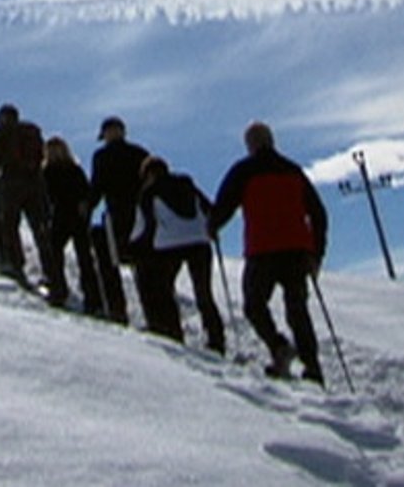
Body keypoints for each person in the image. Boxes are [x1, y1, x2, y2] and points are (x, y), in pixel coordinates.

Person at [209, 122, 329, 384]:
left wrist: (212, 226)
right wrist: (317, 252)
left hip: (263, 250)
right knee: (298, 309)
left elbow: (225, 204)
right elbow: (318, 213)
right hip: (296, 250)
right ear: (272, 141)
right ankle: (313, 367)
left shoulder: (244, 170)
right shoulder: (293, 170)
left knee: (254, 305)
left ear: (250, 145)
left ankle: (278, 347)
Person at [129, 155, 226, 354]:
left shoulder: (148, 192)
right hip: (200, 242)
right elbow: (210, 209)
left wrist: (132, 247)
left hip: (169, 245)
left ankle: (172, 331)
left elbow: (143, 227)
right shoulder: (188, 185)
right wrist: (212, 229)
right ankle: (217, 339)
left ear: (148, 174)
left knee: (164, 288)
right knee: (204, 292)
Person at [89, 116, 150, 324]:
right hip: (141, 214)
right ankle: (154, 317)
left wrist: (86, 210)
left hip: (117, 213)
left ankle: (117, 310)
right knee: (143, 266)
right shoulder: (140, 153)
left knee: (110, 262)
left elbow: (96, 187)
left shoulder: (102, 156)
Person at [41, 137, 104, 314]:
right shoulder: (63, 170)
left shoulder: (60, 170)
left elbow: (85, 191)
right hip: (68, 214)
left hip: (71, 214)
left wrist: (85, 207)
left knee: (79, 256)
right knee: (62, 253)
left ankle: (88, 297)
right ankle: (63, 291)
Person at [0, 104, 48, 282]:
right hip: (34, 182)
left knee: (10, 224)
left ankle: (16, 264)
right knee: (39, 228)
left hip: (11, 182)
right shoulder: (32, 130)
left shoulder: (1, 132)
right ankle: (51, 273)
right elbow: (41, 156)